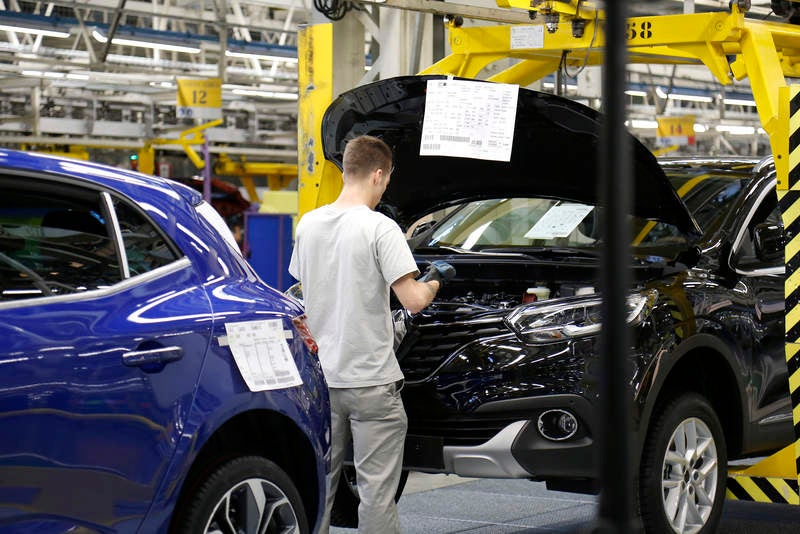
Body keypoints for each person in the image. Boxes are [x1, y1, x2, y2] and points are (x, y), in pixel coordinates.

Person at [289, 135, 455, 534]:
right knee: (375, 492)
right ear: (379, 175)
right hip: (371, 383)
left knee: (320, 485)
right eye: (387, 180)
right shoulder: (380, 228)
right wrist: (436, 280)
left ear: (347, 169)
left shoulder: (308, 224)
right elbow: (413, 301)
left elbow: (299, 294)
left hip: (322, 381)